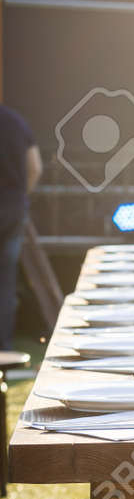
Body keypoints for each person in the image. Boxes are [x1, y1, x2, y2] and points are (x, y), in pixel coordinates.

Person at [0, 106, 42, 348]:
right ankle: (3, 347)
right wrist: (19, 199)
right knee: (5, 281)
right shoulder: (16, 122)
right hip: (12, 211)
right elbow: (34, 167)